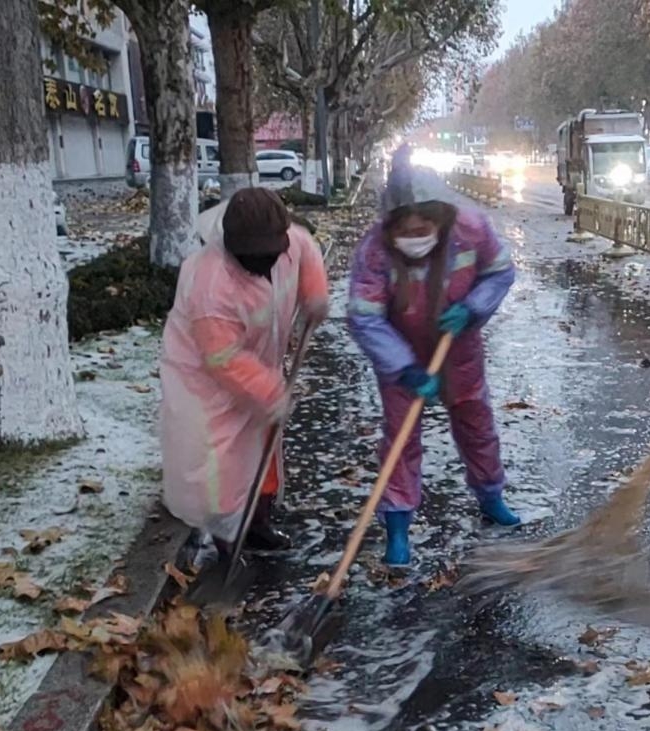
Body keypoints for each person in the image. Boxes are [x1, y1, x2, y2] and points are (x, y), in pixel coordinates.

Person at [347, 157, 519, 567]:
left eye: (423, 230)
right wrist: (402, 366)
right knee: (401, 439)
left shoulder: (471, 231)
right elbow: (364, 316)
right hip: (399, 350)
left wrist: (473, 308)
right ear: (390, 228)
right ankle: (398, 526)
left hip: (456, 343)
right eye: (405, 232)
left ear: (441, 220)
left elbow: (500, 272)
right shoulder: (374, 252)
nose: (415, 238)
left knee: (475, 422)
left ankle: (491, 495)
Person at [160, 188, 329, 562]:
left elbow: (307, 251)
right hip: (204, 378)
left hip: (259, 363)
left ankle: (258, 524)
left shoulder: (288, 244)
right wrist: (271, 393)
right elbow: (222, 358)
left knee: (264, 446)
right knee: (221, 461)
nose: (264, 263)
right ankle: (227, 538)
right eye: (253, 257)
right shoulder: (210, 281)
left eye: (270, 253)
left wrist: (314, 295)